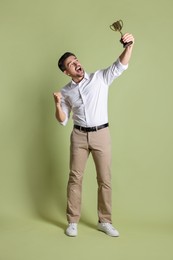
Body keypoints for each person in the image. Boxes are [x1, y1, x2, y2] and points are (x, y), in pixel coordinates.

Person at [53, 33, 134, 237]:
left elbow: (120, 66)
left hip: (101, 134)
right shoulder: (66, 91)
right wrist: (57, 104)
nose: (76, 64)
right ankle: (72, 221)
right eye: (71, 64)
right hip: (78, 136)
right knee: (75, 178)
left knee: (104, 179)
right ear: (66, 71)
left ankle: (105, 221)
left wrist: (129, 46)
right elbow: (63, 120)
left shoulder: (99, 78)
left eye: (76, 60)